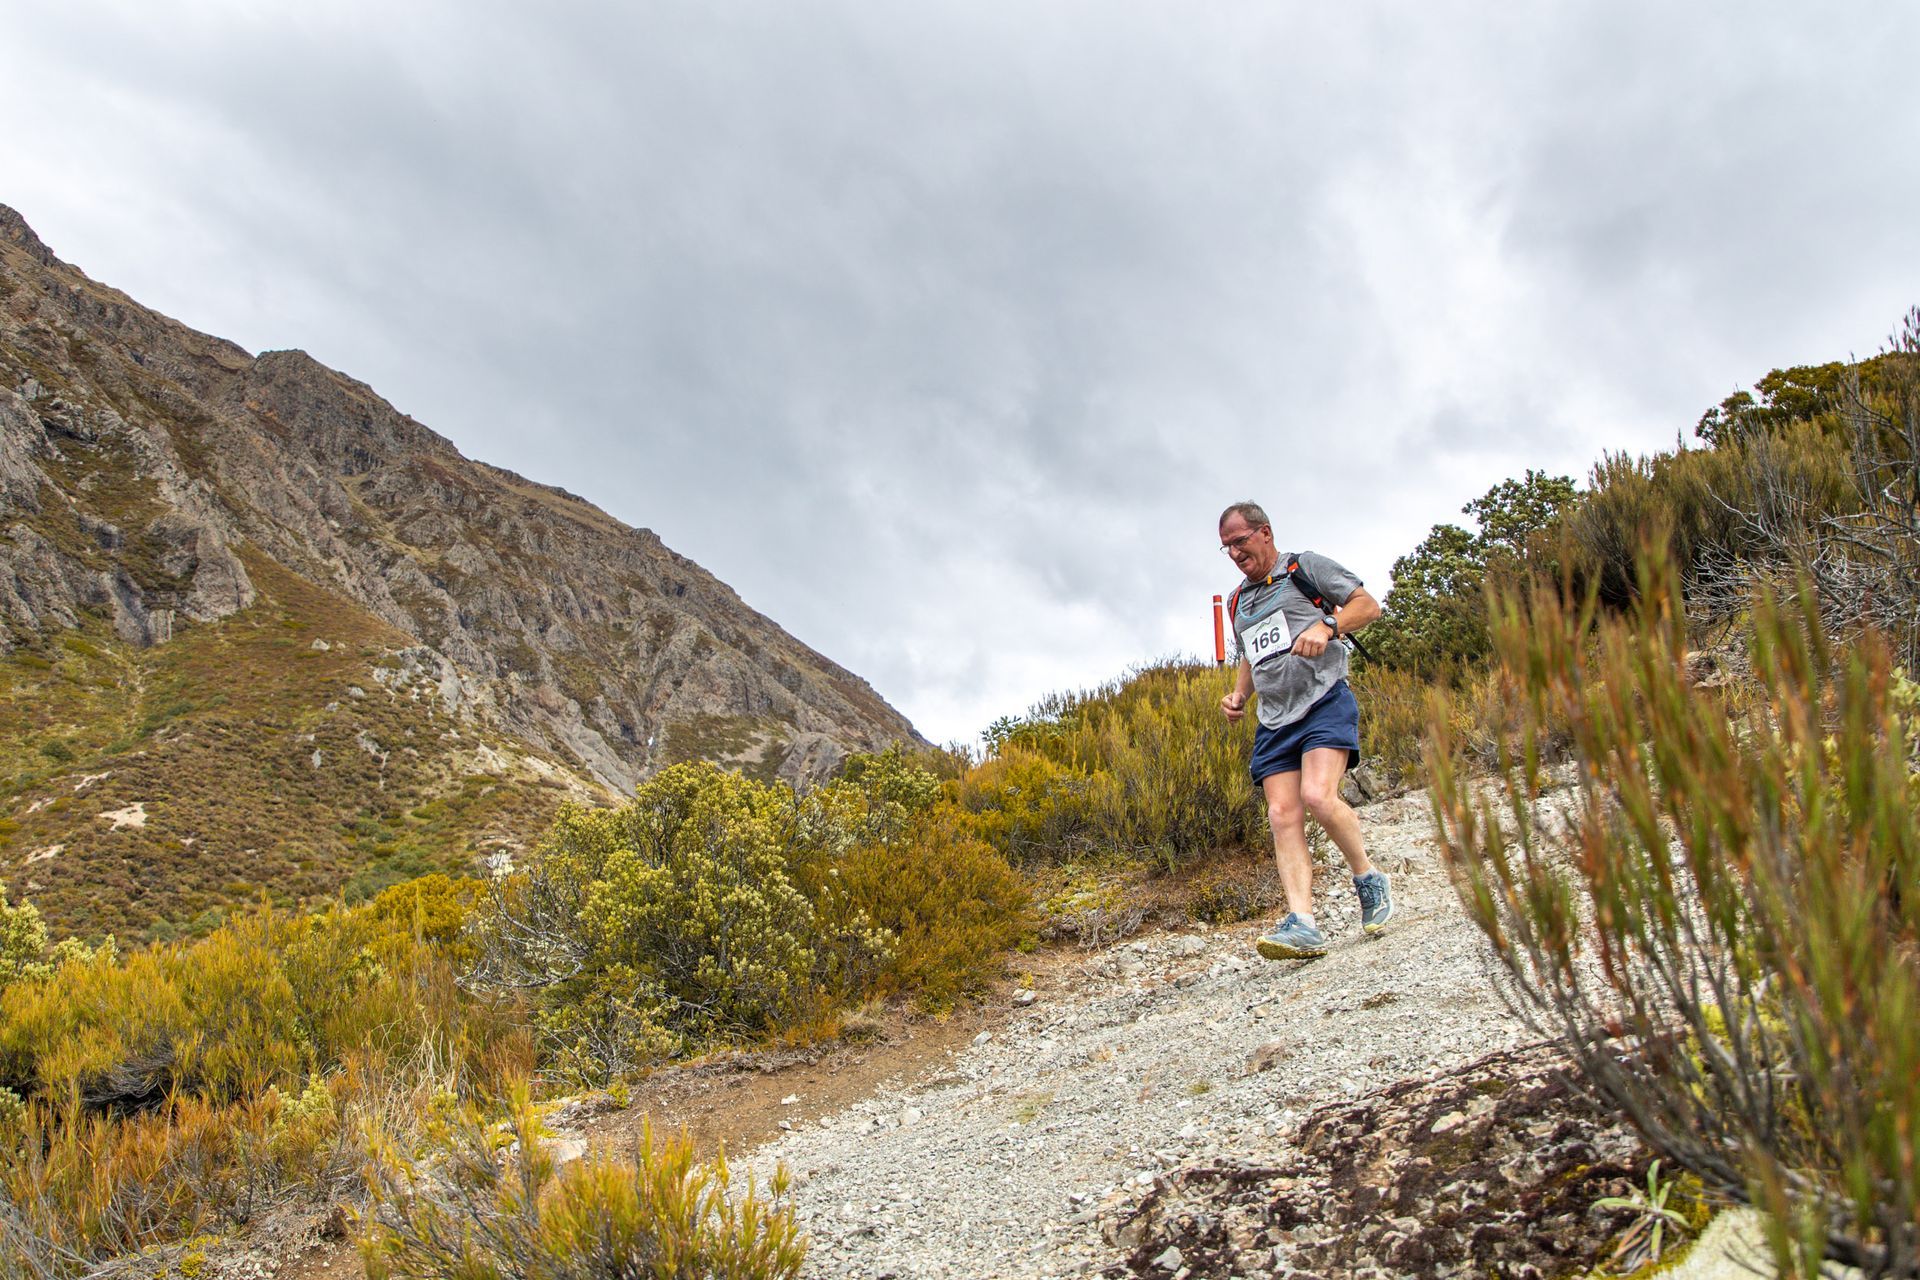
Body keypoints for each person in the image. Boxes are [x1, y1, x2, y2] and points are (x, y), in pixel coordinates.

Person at [1217, 501, 1391, 960]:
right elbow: (1250, 656)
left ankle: (1369, 879)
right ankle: (1303, 923)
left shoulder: (1303, 568)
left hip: (1323, 700)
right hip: (1274, 718)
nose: (1235, 553)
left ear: (1265, 533)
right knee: (1282, 815)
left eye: (1240, 541)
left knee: (1317, 795)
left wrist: (1328, 626)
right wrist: (1239, 696)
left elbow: (1367, 605)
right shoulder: (1238, 601)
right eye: (1226, 547)